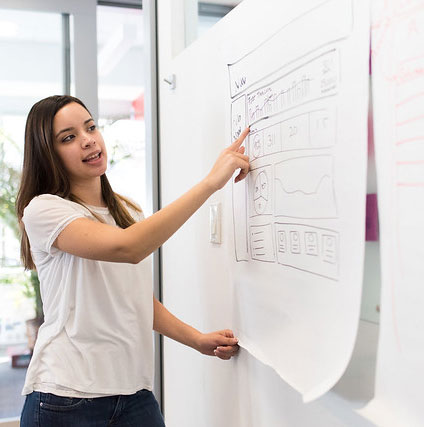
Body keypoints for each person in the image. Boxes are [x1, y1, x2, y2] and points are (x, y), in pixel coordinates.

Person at [17, 95, 250, 426]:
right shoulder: (45, 210)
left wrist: (196, 339)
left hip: (134, 394)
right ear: (48, 154)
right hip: (66, 397)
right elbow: (129, 248)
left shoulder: (127, 213)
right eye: (68, 138)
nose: (87, 141)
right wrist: (212, 183)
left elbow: (134, 300)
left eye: (90, 127)